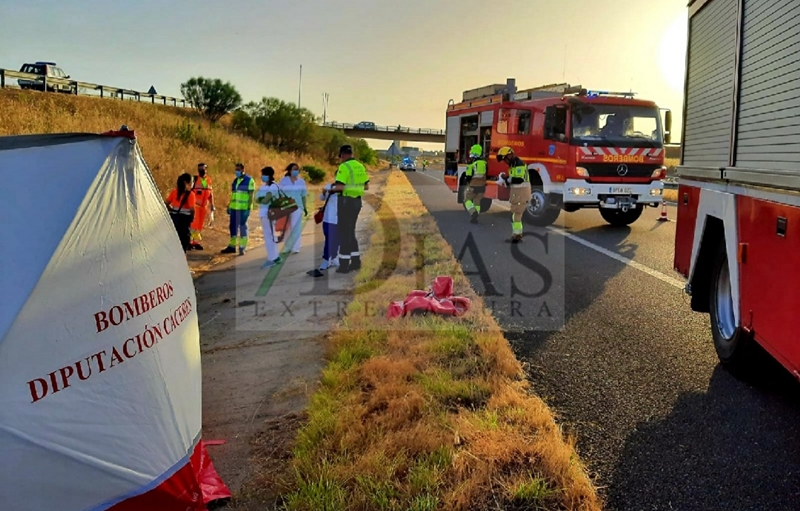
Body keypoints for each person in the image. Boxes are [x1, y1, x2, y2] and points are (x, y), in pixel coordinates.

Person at [330, 145, 369, 274]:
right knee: (350, 231)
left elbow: (340, 187)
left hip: (346, 202)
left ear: (342, 154)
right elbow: (366, 186)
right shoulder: (360, 166)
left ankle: (344, 265)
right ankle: (356, 261)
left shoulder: (344, 167)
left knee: (344, 233)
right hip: (357, 202)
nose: (340, 159)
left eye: (340, 156)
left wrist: (330, 189)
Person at [496, 146, 530, 243]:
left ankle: (517, 236)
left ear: (509, 156)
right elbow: (514, 178)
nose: (505, 162)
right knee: (515, 214)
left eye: (504, 159)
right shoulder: (514, 165)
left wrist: (505, 179)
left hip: (521, 193)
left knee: (515, 214)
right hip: (518, 193)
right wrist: (505, 179)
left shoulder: (519, 164)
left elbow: (518, 179)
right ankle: (517, 235)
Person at [221, 162, 255, 256]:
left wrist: (248, 207)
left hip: (244, 209)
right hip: (234, 208)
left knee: (243, 226)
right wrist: (229, 205)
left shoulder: (249, 180)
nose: (237, 171)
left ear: (243, 170)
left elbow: (251, 195)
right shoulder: (235, 181)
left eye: (238, 170)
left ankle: (242, 247)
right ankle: (232, 246)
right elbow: (233, 195)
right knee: (232, 227)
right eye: (236, 170)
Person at [308, 181, 340, 277]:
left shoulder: (346, 189)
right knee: (329, 238)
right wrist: (323, 192)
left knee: (337, 239)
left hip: (340, 219)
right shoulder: (329, 186)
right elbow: (322, 198)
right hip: (328, 218)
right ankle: (326, 259)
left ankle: (334, 257)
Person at [255, 166, 283, 268]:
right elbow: (257, 199)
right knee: (270, 236)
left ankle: (272, 259)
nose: (262, 177)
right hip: (264, 214)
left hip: (270, 214)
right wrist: (262, 198)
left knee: (269, 237)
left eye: (264, 175)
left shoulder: (274, 186)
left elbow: (265, 200)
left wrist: (262, 198)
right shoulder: (264, 186)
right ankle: (275, 257)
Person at [278, 162, 308, 255]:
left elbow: (303, 195)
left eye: (297, 169)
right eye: (294, 169)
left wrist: (305, 207)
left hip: (297, 206)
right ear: (290, 170)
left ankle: (296, 247)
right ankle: (287, 247)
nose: (295, 171)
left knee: (296, 227)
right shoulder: (284, 181)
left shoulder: (301, 182)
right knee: (286, 228)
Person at [165, 173, 196, 253]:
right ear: (187, 183)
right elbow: (192, 209)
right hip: (184, 223)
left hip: (174, 220)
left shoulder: (174, 192)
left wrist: (172, 210)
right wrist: (192, 217)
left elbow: (166, 203)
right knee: (183, 245)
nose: (192, 184)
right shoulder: (191, 195)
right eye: (191, 182)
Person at [189, 162, 215, 250]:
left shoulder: (209, 180)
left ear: (206, 170)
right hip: (195, 205)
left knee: (199, 225)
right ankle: (189, 242)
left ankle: (195, 242)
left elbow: (210, 193)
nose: (201, 170)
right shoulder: (195, 179)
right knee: (193, 225)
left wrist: (212, 205)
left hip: (204, 207)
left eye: (203, 169)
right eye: (199, 169)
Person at [463, 144, 487, 224]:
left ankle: (473, 212)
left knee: (467, 199)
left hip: (473, 186)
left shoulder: (471, 165)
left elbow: (468, 176)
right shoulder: (484, 163)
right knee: (477, 202)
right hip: (482, 187)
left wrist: (467, 181)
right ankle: (475, 218)